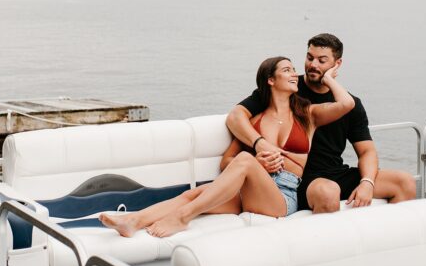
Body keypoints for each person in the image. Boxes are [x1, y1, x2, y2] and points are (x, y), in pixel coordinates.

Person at [99, 56, 354, 237]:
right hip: (247, 193)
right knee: (192, 194)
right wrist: (260, 164)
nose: (294, 74)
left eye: (293, 69)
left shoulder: (306, 114)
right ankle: (133, 221)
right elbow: (227, 162)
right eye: (287, 70)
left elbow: (346, 104)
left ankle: (183, 218)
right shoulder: (254, 120)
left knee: (245, 161)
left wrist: (329, 77)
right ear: (270, 80)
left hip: (283, 197)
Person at [227, 33, 416, 213]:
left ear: (337, 64)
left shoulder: (351, 104)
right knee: (328, 191)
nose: (312, 65)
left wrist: (367, 182)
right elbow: (235, 117)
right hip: (301, 179)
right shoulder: (285, 87)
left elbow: (367, 151)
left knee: (404, 182)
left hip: (336, 172)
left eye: (321, 60)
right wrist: (260, 145)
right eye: (309, 58)